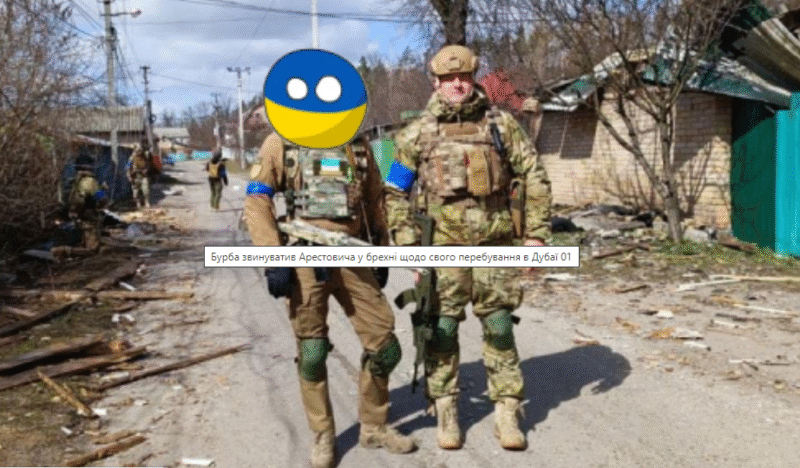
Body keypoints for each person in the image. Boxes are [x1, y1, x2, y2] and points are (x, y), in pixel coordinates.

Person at [384, 44, 552, 451]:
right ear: (435, 82)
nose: (457, 85)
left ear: (474, 78)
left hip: (496, 243)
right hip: (442, 249)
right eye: (448, 79)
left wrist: (535, 235)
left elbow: (534, 175)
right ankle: (444, 407)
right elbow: (394, 193)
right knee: (441, 330)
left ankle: (507, 408)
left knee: (499, 326)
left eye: (463, 77)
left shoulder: (500, 124)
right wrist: (409, 249)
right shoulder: (415, 134)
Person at [243, 133, 416, 468]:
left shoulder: (357, 143)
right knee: (312, 352)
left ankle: (374, 426)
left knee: (385, 346)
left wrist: (380, 249)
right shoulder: (281, 141)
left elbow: (373, 200)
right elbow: (258, 199)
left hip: (352, 255)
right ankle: (322, 434)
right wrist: (273, 257)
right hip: (305, 257)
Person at [67, 155, 109, 250]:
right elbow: (102, 199)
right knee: (93, 249)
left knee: (84, 241)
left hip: (77, 217)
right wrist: (103, 192)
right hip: (89, 218)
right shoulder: (90, 181)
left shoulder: (75, 181)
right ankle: (65, 251)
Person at [127, 140, 151, 209]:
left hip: (143, 176)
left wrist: (146, 170)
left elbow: (148, 165)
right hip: (135, 176)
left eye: (140, 150)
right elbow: (128, 167)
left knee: (146, 190)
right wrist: (129, 176)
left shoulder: (145, 156)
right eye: (138, 151)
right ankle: (138, 203)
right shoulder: (132, 158)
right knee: (135, 193)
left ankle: (147, 202)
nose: (139, 152)